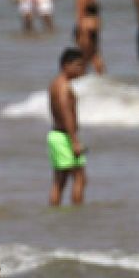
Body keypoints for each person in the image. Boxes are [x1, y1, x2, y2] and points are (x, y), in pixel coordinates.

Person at [47, 48, 88, 205]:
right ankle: (78, 215)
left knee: (60, 180)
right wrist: (74, 141)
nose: (81, 69)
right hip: (64, 136)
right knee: (80, 178)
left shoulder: (56, 84)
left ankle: (56, 212)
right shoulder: (63, 86)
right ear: (66, 65)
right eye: (78, 65)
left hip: (58, 135)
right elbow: (66, 114)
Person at [74, 1, 104, 75]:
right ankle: (101, 80)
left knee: (84, 64)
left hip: (81, 43)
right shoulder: (94, 20)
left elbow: (75, 33)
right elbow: (94, 32)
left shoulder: (82, 21)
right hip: (90, 44)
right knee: (99, 65)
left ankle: (79, 79)